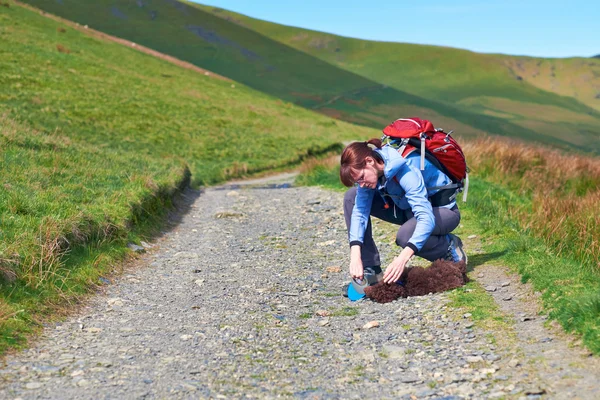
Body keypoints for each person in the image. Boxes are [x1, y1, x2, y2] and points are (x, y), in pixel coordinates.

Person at [340, 138, 467, 290]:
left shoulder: (406, 168)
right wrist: (355, 255)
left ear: (369, 161)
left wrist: (402, 259)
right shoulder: (373, 171)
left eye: (361, 178)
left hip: (443, 212)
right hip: (408, 210)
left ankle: (447, 246)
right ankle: (371, 271)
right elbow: (360, 212)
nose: (362, 184)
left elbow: (426, 218)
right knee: (351, 197)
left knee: (405, 237)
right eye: (357, 181)